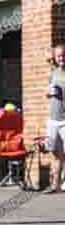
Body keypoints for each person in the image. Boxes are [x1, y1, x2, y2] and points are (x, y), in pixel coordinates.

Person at [45, 44, 65, 194]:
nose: (61, 58)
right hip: (53, 119)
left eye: (63, 55)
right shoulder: (53, 73)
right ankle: (55, 185)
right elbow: (48, 93)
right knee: (55, 153)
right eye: (59, 56)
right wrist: (49, 93)